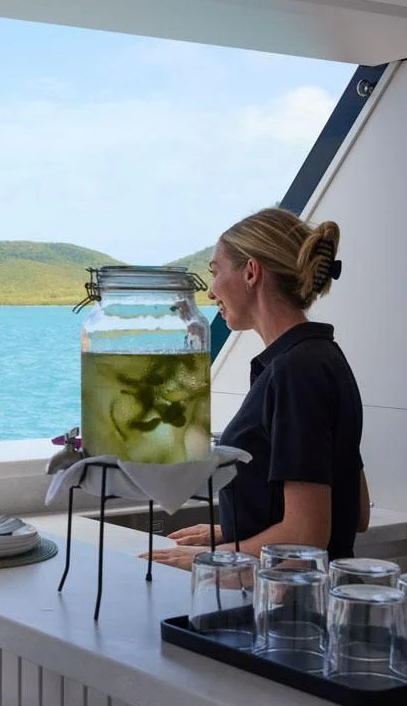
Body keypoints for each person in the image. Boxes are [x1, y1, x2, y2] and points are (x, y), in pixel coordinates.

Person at [149, 208, 371, 571]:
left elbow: (306, 538)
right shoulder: (323, 357)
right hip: (314, 591)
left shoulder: (294, 372)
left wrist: (216, 558)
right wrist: (230, 533)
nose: (211, 292)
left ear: (251, 272)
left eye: (216, 272)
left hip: (290, 598)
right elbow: (355, 512)